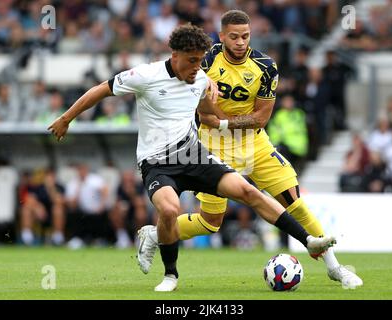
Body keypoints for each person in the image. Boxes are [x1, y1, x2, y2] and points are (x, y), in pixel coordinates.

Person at [48, 24, 336, 292]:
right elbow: (101, 90)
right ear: (175, 55)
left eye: (201, 60)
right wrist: (66, 118)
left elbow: (209, 113)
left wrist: (218, 107)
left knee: (248, 191)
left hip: (193, 155)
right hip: (156, 162)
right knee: (170, 210)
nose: (197, 67)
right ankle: (170, 274)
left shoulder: (199, 78)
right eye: (191, 60)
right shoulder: (144, 76)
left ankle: (308, 241)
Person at [136, 11, 362, 289]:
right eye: (234, 36)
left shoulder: (266, 67)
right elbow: (205, 116)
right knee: (211, 223)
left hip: (255, 144)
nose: (240, 42)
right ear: (222, 36)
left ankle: (335, 268)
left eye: (245, 36)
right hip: (212, 146)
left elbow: (260, 118)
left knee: (295, 203)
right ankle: (156, 234)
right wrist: (219, 114)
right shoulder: (205, 62)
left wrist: (224, 120)